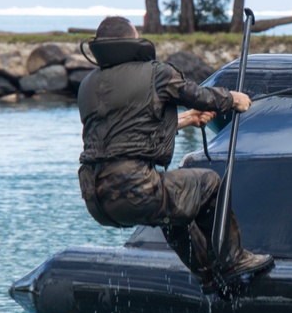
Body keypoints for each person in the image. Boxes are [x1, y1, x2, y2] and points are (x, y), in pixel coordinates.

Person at [76, 15, 273, 294]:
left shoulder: (87, 85)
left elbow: (124, 134)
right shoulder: (157, 73)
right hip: (136, 190)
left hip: (96, 200)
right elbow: (198, 94)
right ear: (133, 41)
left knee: (174, 213)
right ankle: (233, 260)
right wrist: (233, 99)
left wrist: (187, 119)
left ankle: (210, 280)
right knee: (209, 183)